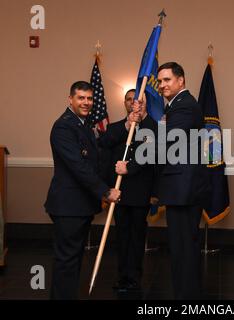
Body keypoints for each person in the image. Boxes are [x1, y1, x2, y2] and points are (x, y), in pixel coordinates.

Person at [44, 81, 126, 300]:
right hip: (68, 206)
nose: (86, 102)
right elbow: (78, 167)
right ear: (70, 99)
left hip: (79, 205)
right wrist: (105, 191)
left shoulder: (83, 124)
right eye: (81, 98)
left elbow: (98, 157)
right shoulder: (63, 126)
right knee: (67, 262)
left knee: (73, 261)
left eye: (89, 98)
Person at [156, 62, 209, 299]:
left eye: (167, 80)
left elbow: (167, 141)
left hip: (183, 188)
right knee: (182, 247)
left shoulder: (184, 106)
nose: (162, 85)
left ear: (181, 81)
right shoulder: (176, 106)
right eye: (160, 81)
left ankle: (187, 298)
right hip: (181, 187)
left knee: (184, 248)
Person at [105, 89, 157, 292]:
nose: (135, 103)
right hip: (119, 191)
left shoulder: (153, 127)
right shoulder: (115, 127)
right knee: (122, 236)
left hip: (141, 191)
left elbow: (153, 156)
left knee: (136, 237)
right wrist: (128, 124)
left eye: (140, 101)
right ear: (125, 104)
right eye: (130, 100)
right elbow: (105, 146)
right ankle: (122, 276)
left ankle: (134, 276)